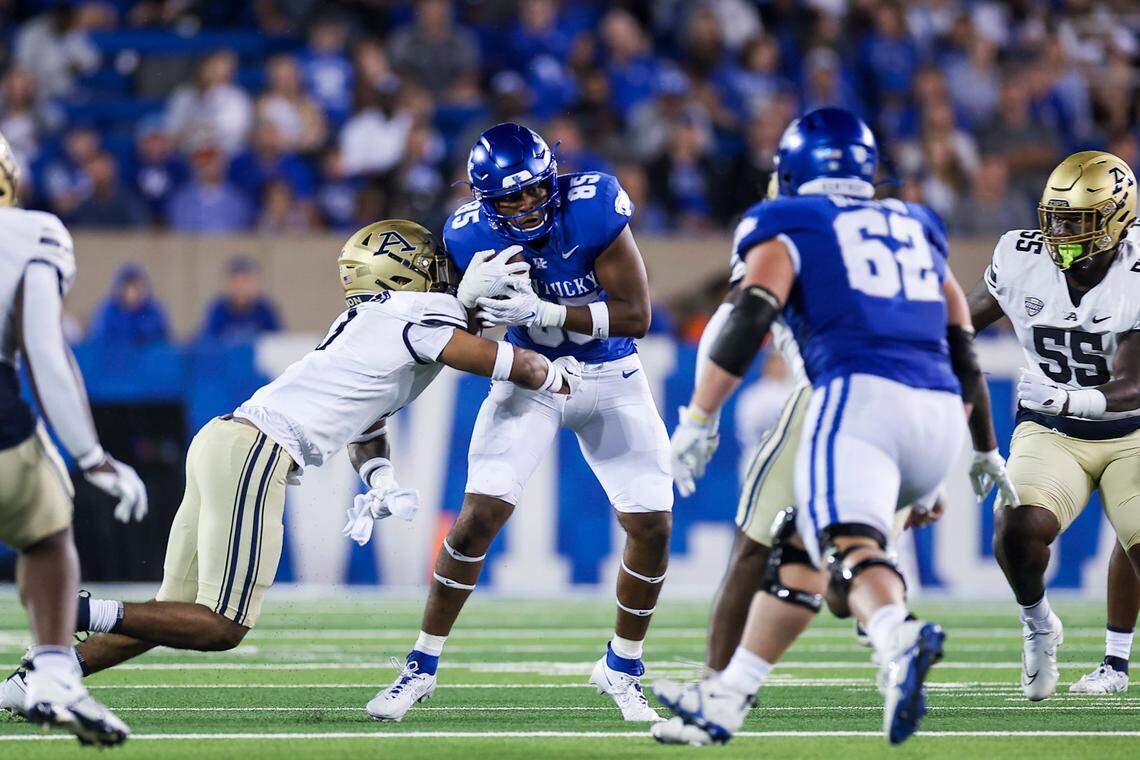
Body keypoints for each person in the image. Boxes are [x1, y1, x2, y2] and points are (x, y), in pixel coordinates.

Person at [0, 220, 577, 693]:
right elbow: (506, 365)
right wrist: (556, 365)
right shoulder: (414, 318)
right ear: (405, 273)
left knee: (173, 613)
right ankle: (75, 611)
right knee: (222, 626)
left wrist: (377, 476)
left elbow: (365, 418)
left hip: (226, 442)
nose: (443, 272)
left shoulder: (379, 321)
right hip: (256, 452)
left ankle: (36, 678)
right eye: (433, 265)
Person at [657, 108, 980, 745]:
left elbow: (749, 316)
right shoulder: (916, 222)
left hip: (851, 399)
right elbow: (961, 344)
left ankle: (897, 637)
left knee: (838, 553)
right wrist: (962, 456)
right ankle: (727, 696)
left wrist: (699, 415)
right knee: (805, 555)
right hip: (938, 406)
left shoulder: (786, 221)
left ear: (792, 170)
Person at [370, 123, 672, 723]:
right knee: (479, 516)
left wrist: (547, 309)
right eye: (512, 198)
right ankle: (420, 667)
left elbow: (637, 315)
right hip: (530, 376)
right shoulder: (466, 232)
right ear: (487, 201)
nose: (529, 205)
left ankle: (622, 666)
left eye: (535, 190)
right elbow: (459, 333)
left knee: (653, 525)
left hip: (609, 374)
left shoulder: (592, 207)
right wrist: (470, 304)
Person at [965, 150, 1140, 701]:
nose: (1060, 231)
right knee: (1016, 529)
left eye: (1077, 221)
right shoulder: (1021, 257)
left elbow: (1135, 382)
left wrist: (1069, 399)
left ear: (1116, 219)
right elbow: (962, 321)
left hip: (1130, 428)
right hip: (1050, 430)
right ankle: (1038, 624)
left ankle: (1114, 662)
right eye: (1055, 216)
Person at [0, 131, 146, 746]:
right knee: (48, 532)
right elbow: (43, 348)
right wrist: (92, 457)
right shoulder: (30, 232)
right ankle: (57, 671)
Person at [198, 256, 282, 342]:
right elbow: (207, 340)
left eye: (246, 281)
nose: (241, 286)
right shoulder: (219, 309)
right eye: (236, 281)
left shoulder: (265, 310)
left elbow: (278, 342)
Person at [86, 263, 169, 347]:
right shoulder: (108, 312)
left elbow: (161, 339)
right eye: (128, 289)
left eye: (135, 289)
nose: (132, 294)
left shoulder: (153, 312)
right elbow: (99, 339)